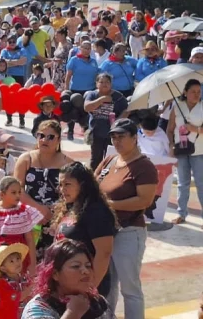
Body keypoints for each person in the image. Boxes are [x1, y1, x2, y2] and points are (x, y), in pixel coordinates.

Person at [94, 119, 157, 319]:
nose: (117, 140)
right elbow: (93, 185)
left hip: (129, 232)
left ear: (134, 138)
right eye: (114, 136)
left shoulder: (144, 166)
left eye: (122, 136)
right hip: (105, 233)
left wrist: (110, 205)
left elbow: (144, 200)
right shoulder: (110, 160)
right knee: (108, 285)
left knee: (130, 289)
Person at [53, 161, 116, 298]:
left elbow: (104, 253)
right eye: (60, 184)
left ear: (82, 185)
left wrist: (90, 288)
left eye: (67, 184)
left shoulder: (96, 212)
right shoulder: (71, 206)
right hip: (66, 285)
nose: (62, 189)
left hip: (85, 287)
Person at [13, 120, 74, 246]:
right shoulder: (25, 159)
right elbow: (17, 190)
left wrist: (53, 212)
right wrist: (39, 209)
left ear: (58, 140)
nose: (44, 140)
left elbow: (73, 192)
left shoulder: (68, 163)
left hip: (56, 218)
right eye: (41, 135)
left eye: (50, 137)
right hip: (28, 216)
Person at [21, 239, 110, 319]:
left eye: (88, 266)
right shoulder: (37, 308)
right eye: (76, 266)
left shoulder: (98, 303)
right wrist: (73, 313)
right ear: (55, 274)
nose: (85, 271)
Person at [167, 78, 203, 224]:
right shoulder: (177, 105)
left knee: (201, 184)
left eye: (199, 92)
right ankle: (181, 214)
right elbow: (169, 129)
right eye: (193, 91)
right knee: (183, 183)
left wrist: (194, 129)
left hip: (199, 151)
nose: (196, 94)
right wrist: (170, 146)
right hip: (180, 150)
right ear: (185, 92)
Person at [84, 73, 128, 170]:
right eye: (101, 82)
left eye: (107, 82)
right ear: (96, 84)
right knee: (95, 159)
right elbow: (86, 107)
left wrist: (118, 121)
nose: (104, 84)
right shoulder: (92, 94)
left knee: (111, 158)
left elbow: (127, 110)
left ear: (111, 84)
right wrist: (101, 100)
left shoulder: (118, 96)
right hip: (96, 133)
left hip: (112, 133)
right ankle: (94, 179)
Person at [63, 40, 98, 140]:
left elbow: (97, 76)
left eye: (89, 48)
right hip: (75, 90)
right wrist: (66, 89)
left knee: (87, 112)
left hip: (90, 90)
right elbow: (68, 76)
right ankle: (70, 131)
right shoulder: (74, 60)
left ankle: (87, 133)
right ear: (80, 48)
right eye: (85, 48)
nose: (87, 50)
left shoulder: (93, 61)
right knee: (73, 111)